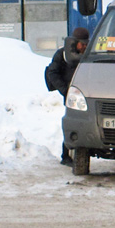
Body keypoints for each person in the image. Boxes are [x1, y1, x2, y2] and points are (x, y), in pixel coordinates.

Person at [45, 27, 90, 166]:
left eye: (86, 44)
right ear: (74, 43)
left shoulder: (88, 54)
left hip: (86, 94)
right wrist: (65, 90)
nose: (84, 47)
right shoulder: (62, 55)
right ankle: (66, 155)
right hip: (71, 94)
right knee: (73, 122)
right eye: (82, 45)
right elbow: (53, 73)